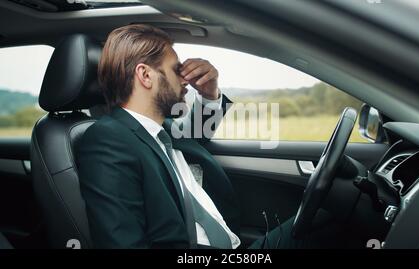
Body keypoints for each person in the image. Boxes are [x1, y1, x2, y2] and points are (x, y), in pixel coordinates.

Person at [78, 24, 337, 249]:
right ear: (146, 76)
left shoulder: (162, 130)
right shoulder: (107, 139)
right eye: (176, 70)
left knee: (328, 216)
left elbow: (197, 136)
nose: (185, 81)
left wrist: (210, 94)